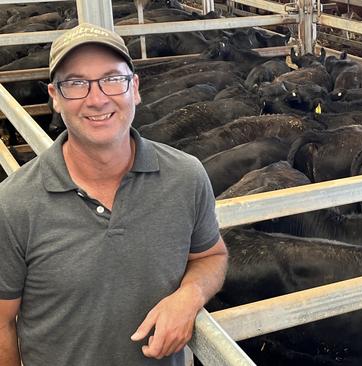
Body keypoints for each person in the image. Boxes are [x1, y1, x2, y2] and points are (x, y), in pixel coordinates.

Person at [0, 22, 228, 365]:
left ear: (134, 88)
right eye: (76, 83)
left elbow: (211, 256)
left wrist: (189, 295)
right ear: (55, 98)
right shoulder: (14, 202)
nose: (96, 98)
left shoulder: (186, 176)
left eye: (112, 79)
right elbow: (2, 321)